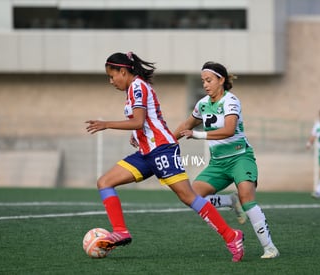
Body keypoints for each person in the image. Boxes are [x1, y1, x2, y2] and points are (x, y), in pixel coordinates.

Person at [85, 52, 244, 262]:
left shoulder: (138, 86)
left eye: (112, 76)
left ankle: (231, 235)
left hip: (162, 149)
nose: (111, 81)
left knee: (188, 197)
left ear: (123, 71)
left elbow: (138, 121)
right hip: (146, 153)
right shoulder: (133, 89)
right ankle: (121, 231)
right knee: (105, 182)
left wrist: (107, 124)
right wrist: (136, 137)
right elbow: (144, 122)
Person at [174, 61, 279, 259]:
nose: (205, 84)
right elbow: (185, 125)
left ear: (221, 80)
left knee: (247, 197)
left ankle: (270, 247)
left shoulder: (231, 101)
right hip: (218, 163)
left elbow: (229, 129)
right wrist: (164, 143)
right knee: (192, 195)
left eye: (209, 80)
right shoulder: (203, 104)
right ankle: (229, 201)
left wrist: (198, 135)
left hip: (240, 157)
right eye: (203, 81)